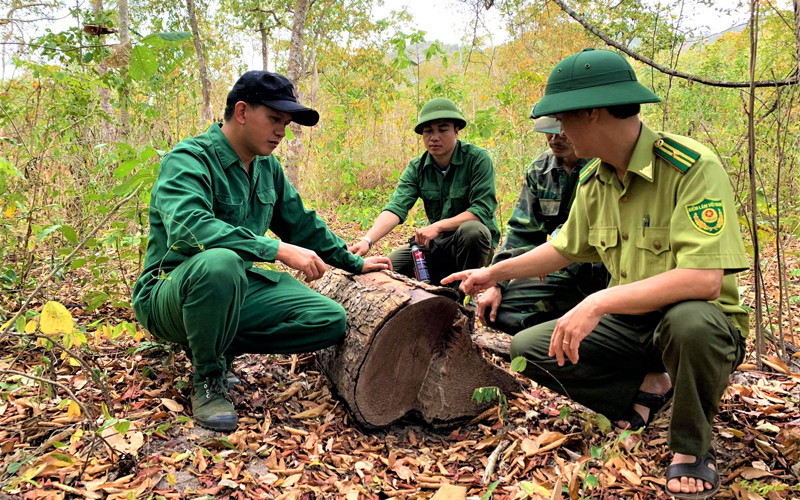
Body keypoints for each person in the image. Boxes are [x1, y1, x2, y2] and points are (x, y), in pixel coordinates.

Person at [443, 48, 749, 499]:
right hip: (632, 327)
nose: (558, 131)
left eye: (563, 118)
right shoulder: (596, 180)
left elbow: (703, 280)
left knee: (690, 322)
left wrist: (597, 301)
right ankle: (646, 391)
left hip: (698, 325)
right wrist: (494, 273)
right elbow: (562, 248)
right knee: (531, 347)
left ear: (592, 113)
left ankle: (690, 447)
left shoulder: (690, 167)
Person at [132, 71, 391, 432]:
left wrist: (353, 262)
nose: (281, 132)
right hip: (169, 292)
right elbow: (190, 229)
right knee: (220, 264)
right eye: (274, 119)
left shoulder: (268, 168)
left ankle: (216, 343)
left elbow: (302, 224)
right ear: (241, 112)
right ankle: (208, 379)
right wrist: (275, 249)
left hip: (232, 287)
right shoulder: (188, 159)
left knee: (329, 320)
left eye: (285, 123)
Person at [476, 115, 608, 334]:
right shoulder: (540, 169)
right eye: (549, 131)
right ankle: (556, 334)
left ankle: (597, 332)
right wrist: (498, 281)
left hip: (605, 269)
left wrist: (548, 253)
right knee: (494, 309)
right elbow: (522, 232)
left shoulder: (605, 164)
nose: (555, 138)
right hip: (560, 272)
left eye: (563, 131)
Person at [348, 97, 499, 286]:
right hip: (436, 245)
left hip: (472, 247)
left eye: (442, 130)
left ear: (456, 131)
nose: (434, 137)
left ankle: (466, 293)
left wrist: (437, 226)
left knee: (472, 231)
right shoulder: (417, 167)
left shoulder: (477, 159)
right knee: (387, 268)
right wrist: (367, 240)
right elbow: (396, 207)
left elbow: (481, 210)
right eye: (428, 131)